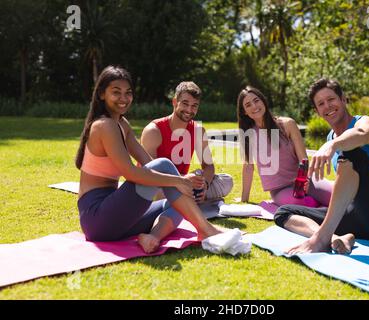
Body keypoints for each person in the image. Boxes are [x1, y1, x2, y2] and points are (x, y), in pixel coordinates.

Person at [75, 65, 223, 254]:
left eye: (128, 93)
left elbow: (147, 162)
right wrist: (179, 180)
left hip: (117, 220)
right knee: (164, 165)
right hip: (97, 218)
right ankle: (206, 230)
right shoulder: (104, 126)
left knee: (179, 203)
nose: (123, 98)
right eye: (116, 92)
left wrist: (183, 185)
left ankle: (153, 236)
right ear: (102, 94)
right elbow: (131, 172)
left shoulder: (121, 124)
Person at [274, 78, 369, 254]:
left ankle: (321, 238)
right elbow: (347, 181)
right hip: (358, 218)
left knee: (350, 151)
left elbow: (361, 134)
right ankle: (336, 237)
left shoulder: (367, 123)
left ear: (343, 99)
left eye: (331, 99)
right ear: (317, 111)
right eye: (321, 104)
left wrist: (333, 145)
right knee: (283, 213)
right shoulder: (331, 137)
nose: (327, 106)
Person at [140, 81, 234, 224]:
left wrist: (205, 186)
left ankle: (190, 201)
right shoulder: (153, 131)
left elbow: (208, 166)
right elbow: (150, 174)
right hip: (159, 185)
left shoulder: (197, 131)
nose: (189, 110)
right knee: (158, 192)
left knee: (227, 181)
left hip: (185, 185)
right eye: (185, 103)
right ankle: (188, 204)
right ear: (174, 102)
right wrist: (183, 180)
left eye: (194, 106)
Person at [236, 86, 331, 207]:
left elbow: (304, 159)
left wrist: (306, 181)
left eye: (256, 100)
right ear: (244, 111)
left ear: (263, 101)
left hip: (305, 181)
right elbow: (248, 166)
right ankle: (319, 205)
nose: (254, 106)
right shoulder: (248, 134)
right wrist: (244, 199)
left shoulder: (287, 124)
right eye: (248, 105)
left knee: (336, 196)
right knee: (300, 203)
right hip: (280, 190)